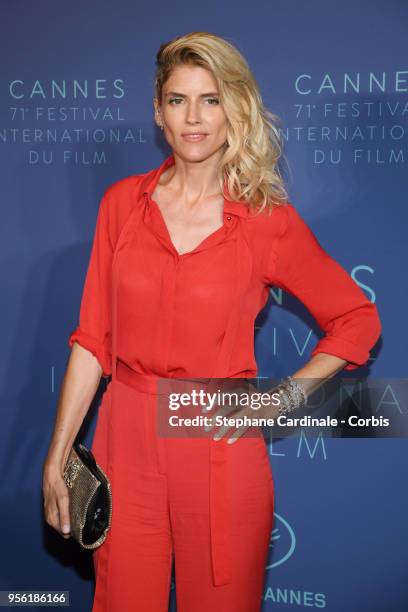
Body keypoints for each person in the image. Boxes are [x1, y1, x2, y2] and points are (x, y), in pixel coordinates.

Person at [42, 31, 382, 612]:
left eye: (211, 99)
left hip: (219, 443)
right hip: (126, 439)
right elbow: (92, 338)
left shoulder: (267, 222)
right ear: (158, 111)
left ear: (235, 109)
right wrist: (57, 457)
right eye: (177, 100)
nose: (193, 118)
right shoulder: (121, 205)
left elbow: (356, 318)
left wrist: (280, 399)